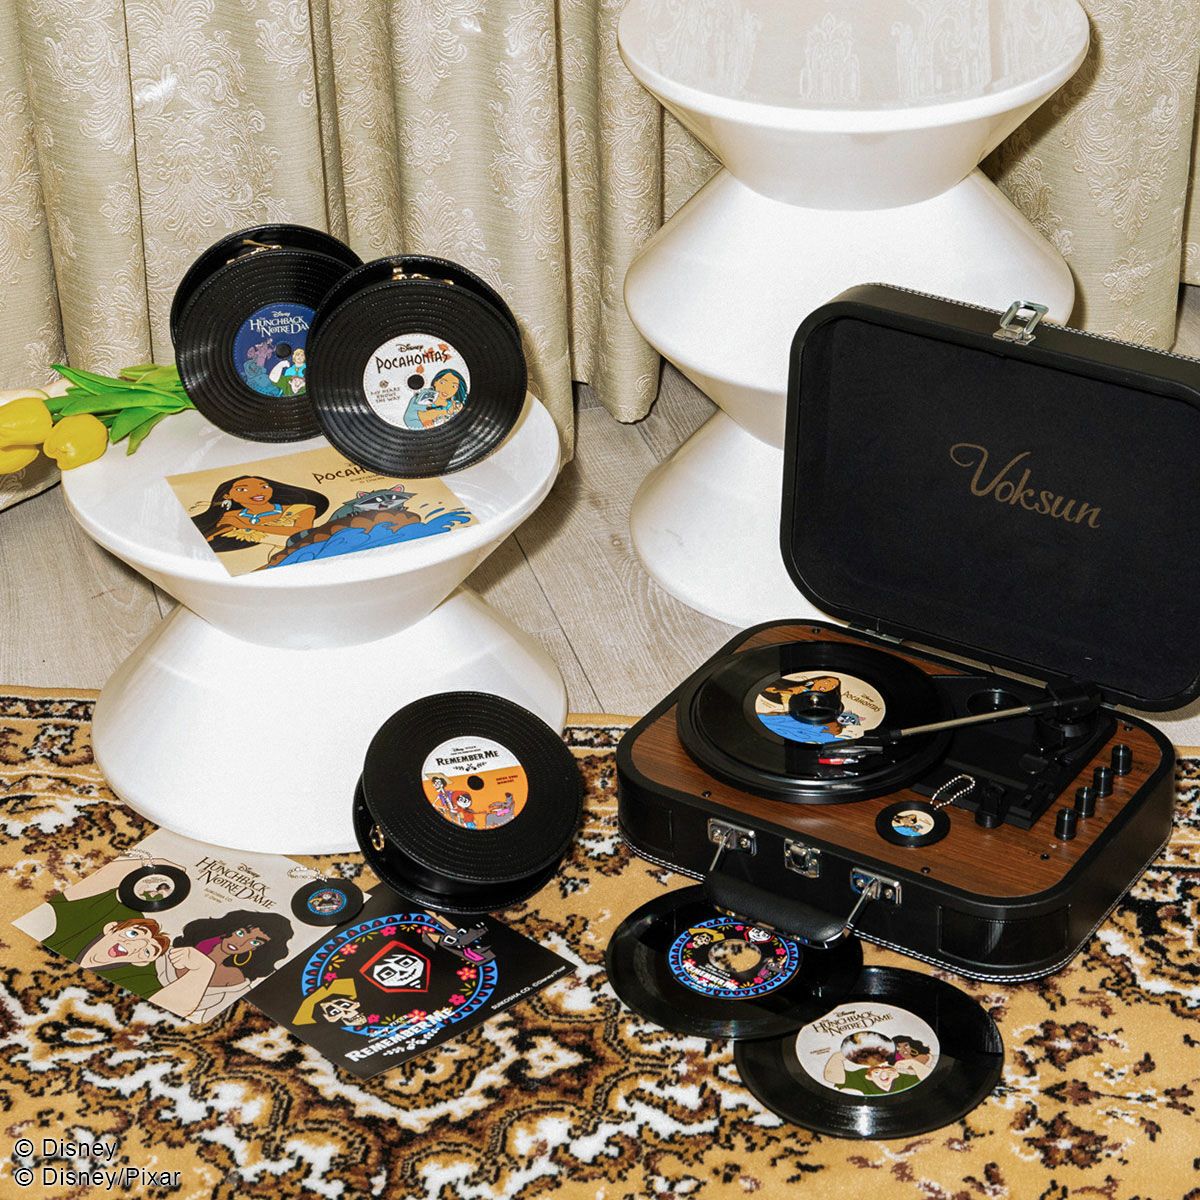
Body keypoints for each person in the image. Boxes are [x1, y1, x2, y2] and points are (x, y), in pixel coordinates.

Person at [37, 855, 215, 1014]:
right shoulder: (92, 917)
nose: (136, 946)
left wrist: (203, 969)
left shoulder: (136, 973)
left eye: (147, 951)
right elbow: (66, 900)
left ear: (142, 962)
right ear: (111, 928)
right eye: (132, 933)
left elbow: (175, 1005)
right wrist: (151, 866)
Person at [163, 910, 293, 1021]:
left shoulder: (236, 981)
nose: (240, 943)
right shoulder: (184, 949)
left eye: (254, 942)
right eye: (241, 933)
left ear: (256, 949)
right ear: (231, 928)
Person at [191, 475, 329, 554]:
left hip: (314, 551)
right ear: (228, 496)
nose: (258, 492)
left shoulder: (302, 509)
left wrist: (246, 526)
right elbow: (211, 538)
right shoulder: (231, 516)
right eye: (242, 489)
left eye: (264, 486)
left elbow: (301, 532)